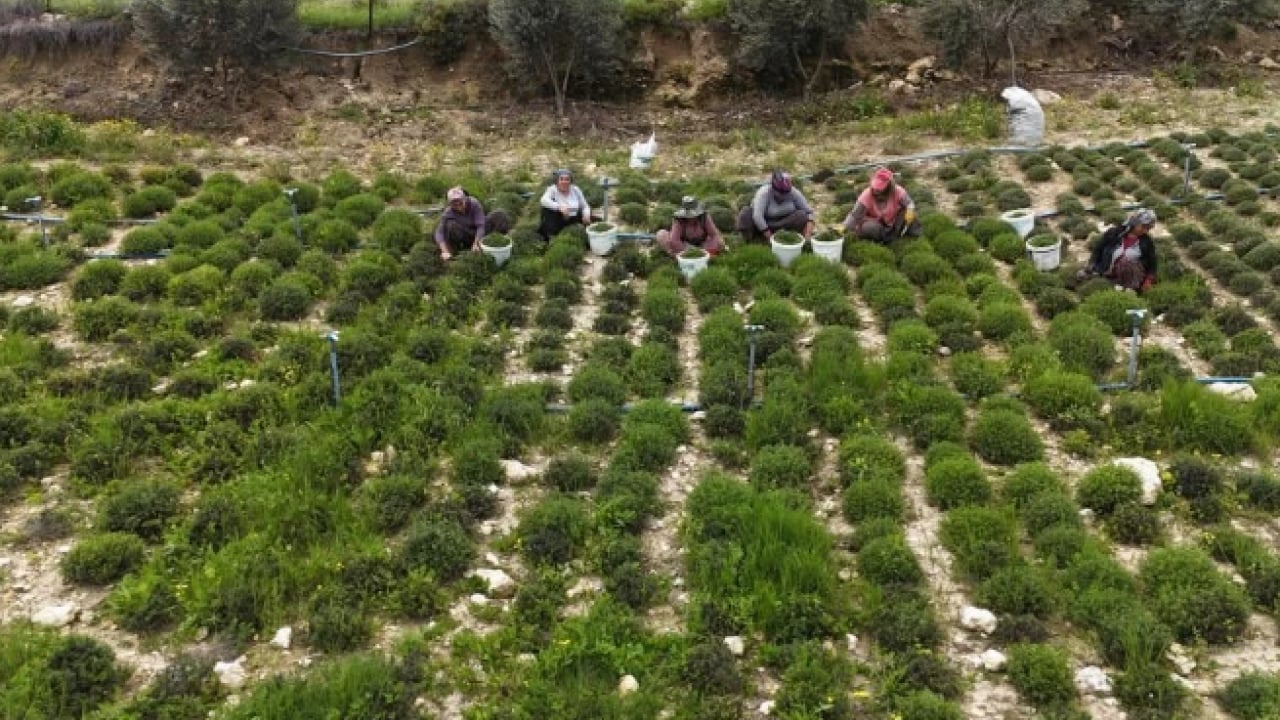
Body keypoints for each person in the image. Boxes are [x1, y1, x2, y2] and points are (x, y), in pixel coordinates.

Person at [1082, 207, 1158, 292]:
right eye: (1143, 227)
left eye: (1148, 228)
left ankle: (1127, 289)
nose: (1145, 231)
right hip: (1105, 272)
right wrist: (1091, 264)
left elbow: (1152, 265)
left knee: (1126, 263)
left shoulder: (1147, 242)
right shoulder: (1114, 233)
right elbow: (1098, 249)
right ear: (1135, 222)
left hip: (1130, 280)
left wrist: (1148, 281)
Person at [844, 166, 920, 242]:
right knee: (869, 227)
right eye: (874, 188)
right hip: (876, 225)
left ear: (888, 187)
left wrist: (910, 209)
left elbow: (909, 203)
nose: (875, 190)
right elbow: (855, 215)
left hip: (893, 222)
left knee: (911, 214)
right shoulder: (866, 195)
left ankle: (913, 238)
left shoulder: (898, 191)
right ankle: (883, 242)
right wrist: (844, 227)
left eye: (879, 189)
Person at [736, 170, 815, 242]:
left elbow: (809, 212)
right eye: (780, 192)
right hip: (764, 224)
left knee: (801, 215)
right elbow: (758, 216)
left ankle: (792, 238)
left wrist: (808, 234)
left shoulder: (794, 193)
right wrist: (769, 237)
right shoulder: (764, 193)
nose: (783, 195)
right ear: (773, 188)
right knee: (745, 213)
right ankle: (751, 240)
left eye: (786, 192)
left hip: (783, 223)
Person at [434, 186, 510, 260]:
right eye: (454, 203)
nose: (457, 205)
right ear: (450, 203)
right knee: (450, 225)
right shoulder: (449, 212)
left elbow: (480, 226)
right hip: (466, 234)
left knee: (500, 214)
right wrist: (444, 251)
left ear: (465, 199)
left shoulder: (474, 204)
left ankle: (494, 243)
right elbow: (439, 233)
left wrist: (476, 243)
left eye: (460, 202)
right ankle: (461, 251)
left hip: (481, 232)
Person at [658, 196, 725, 257]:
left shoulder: (704, 217)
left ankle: (710, 256)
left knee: (720, 241)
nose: (692, 217)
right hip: (684, 245)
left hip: (703, 244)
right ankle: (675, 257)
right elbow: (675, 240)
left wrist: (708, 249)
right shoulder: (679, 220)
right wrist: (689, 252)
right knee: (661, 234)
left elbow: (714, 234)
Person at [538, 169, 591, 240]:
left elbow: (585, 206)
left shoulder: (575, 189)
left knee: (591, 220)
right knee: (547, 210)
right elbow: (543, 200)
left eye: (567, 179)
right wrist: (559, 207)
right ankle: (552, 237)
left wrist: (586, 214)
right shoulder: (552, 189)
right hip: (557, 220)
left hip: (573, 218)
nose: (564, 182)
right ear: (557, 181)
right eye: (561, 179)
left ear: (570, 181)